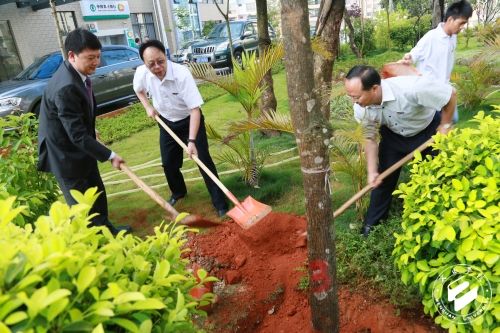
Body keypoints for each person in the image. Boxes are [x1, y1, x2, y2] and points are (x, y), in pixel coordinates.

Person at [38, 28, 131, 235]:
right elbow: (77, 134)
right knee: (83, 206)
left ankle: (108, 229)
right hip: (65, 156)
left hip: (80, 147)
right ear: (72, 55)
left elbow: (77, 120)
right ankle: (98, 245)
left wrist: (92, 131)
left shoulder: (76, 75)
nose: (96, 62)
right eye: (90, 58)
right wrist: (110, 156)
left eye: (98, 56)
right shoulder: (66, 86)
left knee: (97, 192)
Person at [344, 65, 457, 236]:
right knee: (382, 181)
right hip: (394, 137)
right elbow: (370, 137)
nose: (354, 101)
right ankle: (371, 228)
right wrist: (372, 171)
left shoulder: (413, 88)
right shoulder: (361, 108)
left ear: (374, 89)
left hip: (427, 132)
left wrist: (445, 124)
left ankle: (435, 222)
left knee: (434, 178)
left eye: (357, 96)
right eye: (350, 97)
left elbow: (450, 95)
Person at [133, 40, 228, 217]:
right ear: (144, 64)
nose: (157, 67)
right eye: (151, 64)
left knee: (203, 160)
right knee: (169, 164)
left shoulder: (181, 74)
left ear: (166, 56)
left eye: (160, 61)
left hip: (189, 121)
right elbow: (138, 90)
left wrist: (191, 141)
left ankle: (220, 203)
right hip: (166, 121)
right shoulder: (141, 73)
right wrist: (148, 106)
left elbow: (194, 110)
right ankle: (178, 192)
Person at [399, 0, 473, 123]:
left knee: (451, 120)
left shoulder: (453, 37)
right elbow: (416, 52)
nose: (462, 27)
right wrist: (409, 57)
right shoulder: (431, 37)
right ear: (450, 20)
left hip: (444, 87)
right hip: (429, 89)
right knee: (441, 122)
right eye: (461, 23)